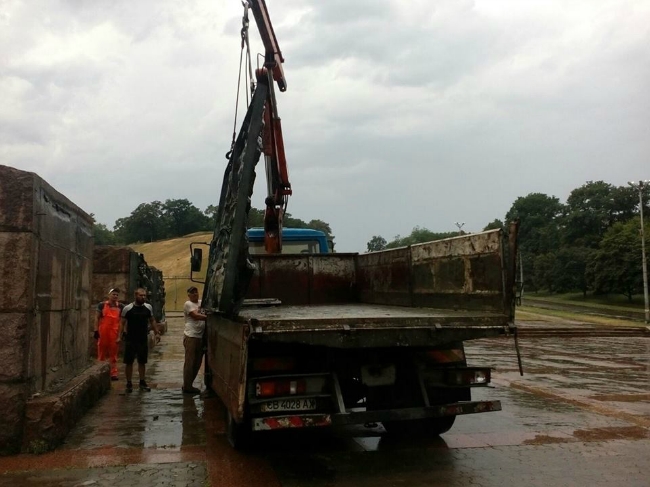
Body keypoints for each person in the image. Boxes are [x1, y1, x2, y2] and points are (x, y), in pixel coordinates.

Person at [117, 287, 160, 393]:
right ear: (135, 295)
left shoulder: (148, 307)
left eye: (144, 295)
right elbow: (122, 323)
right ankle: (129, 383)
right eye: (141, 295)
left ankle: (142, 382)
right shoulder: (128, 308)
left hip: (142, 338)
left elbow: (152, 320)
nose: (143, 297)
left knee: (142, 361)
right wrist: (119, 336)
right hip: (131, 338)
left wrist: (157, 332)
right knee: (129, 362)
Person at [93, 288, 124, 381]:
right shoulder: (102, 305)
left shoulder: (121, 306)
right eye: (113, 294)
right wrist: (96, 330)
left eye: (117, 295)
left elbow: (122, 322)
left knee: (113, 354)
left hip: (114, 332)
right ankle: (100, 372)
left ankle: (113, 373)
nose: (115, 296)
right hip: (103, 332)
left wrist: (120, 335)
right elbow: (96, 318)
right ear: (109, 295)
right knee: (101, 352)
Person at [182, 286, 206, 394]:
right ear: (189, 295)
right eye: (192, 293)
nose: (195, 294)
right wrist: (209, 317)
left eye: (196, 292)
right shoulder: (188, 304)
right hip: (191, 336)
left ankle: (188, 384)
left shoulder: (201, 303)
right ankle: (187, 386)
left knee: (197, 362)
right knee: (190, 362)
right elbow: (196, 316)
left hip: (200, 336)